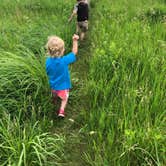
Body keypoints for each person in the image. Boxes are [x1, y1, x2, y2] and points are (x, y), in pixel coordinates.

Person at [45, 34, 79, 117]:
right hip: (63, 86)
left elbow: (47, 72)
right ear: (62, 50)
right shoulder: (64, 60)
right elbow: (74, 53)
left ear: (49, 50)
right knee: (64, 98)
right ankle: (61, 111)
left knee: (54, 94)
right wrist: (75, 41)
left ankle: (54, 100)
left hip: (53, 85)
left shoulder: (48, 62)